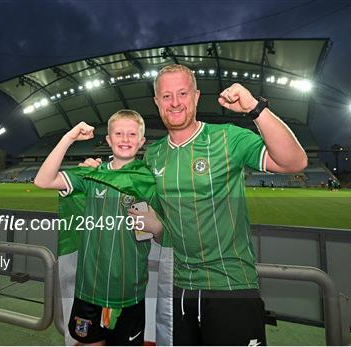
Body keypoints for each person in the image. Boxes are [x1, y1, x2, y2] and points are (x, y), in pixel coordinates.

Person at [81, 65, 307, 345]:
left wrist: (254, 108)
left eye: (182, 93)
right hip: (178, 288)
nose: (175, 102)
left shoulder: (228, 137)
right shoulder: (153, 155)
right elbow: (150, 221)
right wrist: (97, 170)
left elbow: (293, 162)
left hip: (230, 285)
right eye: (166, 96)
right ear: (156, 102)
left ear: (196, 96)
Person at [34, 110, 163, 346]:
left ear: (142, 141)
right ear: (109, 140)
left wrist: (156, 227)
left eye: (132, 134)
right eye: (119, 133)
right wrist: (69, 138)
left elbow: (163, 235)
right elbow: (43, 180)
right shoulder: (92, 174)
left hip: (129, 293)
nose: (125, 139)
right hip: (89, 290)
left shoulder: (149, 180)